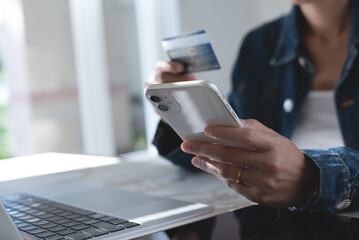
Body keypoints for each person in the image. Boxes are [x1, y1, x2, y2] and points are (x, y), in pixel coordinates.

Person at [147, 0, 359, 239]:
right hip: (273, 221)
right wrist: (179, 113)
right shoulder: (260, 44)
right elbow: (225, 146)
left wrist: (312, 177)